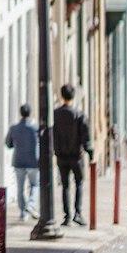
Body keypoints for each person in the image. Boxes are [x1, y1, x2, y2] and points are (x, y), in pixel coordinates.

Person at [52, 83, 92, 227]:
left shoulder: (55, 114)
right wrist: (89, 151)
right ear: (73, 96)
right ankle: (77, 213)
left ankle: (67, 215)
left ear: (62, 96)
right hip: (76, 156)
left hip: (61, 156)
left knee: (65, 186)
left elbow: (53, 134)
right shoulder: (79, 115)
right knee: (79, 183)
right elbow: (85, 136)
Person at [4, 103, 39, 222]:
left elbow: (8, 144)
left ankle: (23, 213)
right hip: (33, 161)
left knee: (20, 187)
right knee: (35, 184)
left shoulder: (14, 128)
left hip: (19, 161)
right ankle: (31, 204)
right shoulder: (35, 128)